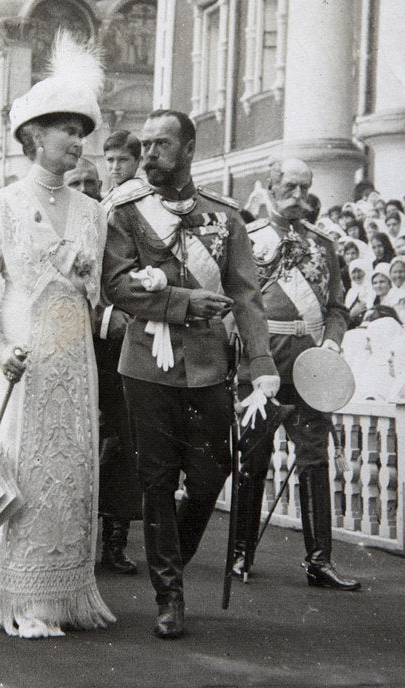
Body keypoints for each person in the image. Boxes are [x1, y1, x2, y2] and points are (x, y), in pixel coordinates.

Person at [0, 32, 115, 639]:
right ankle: (15, 592)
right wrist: (0, 343)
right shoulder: (2, 206)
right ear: (35, 135)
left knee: (69, 467)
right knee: (18, 470)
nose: (77, 142)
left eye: (82, 132)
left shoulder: (94, 212)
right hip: (16, 355)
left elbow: (99, 293)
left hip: (73, 359)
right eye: (67, 130)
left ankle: (64, 591)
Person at [102, 109, 279, 638]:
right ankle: (169, 594)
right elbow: (116, 286)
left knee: (209, 475)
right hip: (146, 367)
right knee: (156, 480)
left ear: (189, 149)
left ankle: (170, 560)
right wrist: (181, 302)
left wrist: (262, 365)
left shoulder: (225, 217)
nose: (149, 154)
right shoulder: (128, 212)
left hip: (208, 366)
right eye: (146, 145)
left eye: (161, 145)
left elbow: (247, 297)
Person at [232, 157, 360, 591]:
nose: (299, 197)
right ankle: (239, 554)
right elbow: (235, 302)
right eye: (290, 187)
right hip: (263, 366)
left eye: (305, 189)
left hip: (311, 370)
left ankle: (319, 561)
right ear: (270, 186)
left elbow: (337, 307)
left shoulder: (323, 244)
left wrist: (332, 341)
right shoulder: (246, 239)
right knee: (253, 461)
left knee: (314, 461)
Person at [66, 155, 142, 577]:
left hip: (113, 353)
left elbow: (126, 280)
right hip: (65, 346)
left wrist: (114, 318)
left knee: (122, 442)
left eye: (92, 182)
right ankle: (72, 538)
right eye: (77, 181)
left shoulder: (112, 227)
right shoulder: (51, 223)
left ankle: (114, 542)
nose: (86, 189)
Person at [102, 128, 143, 199]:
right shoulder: (105, 197)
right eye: (110, 160)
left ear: (138, 161)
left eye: (123, 159)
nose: (115, 167)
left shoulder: (143, 196)